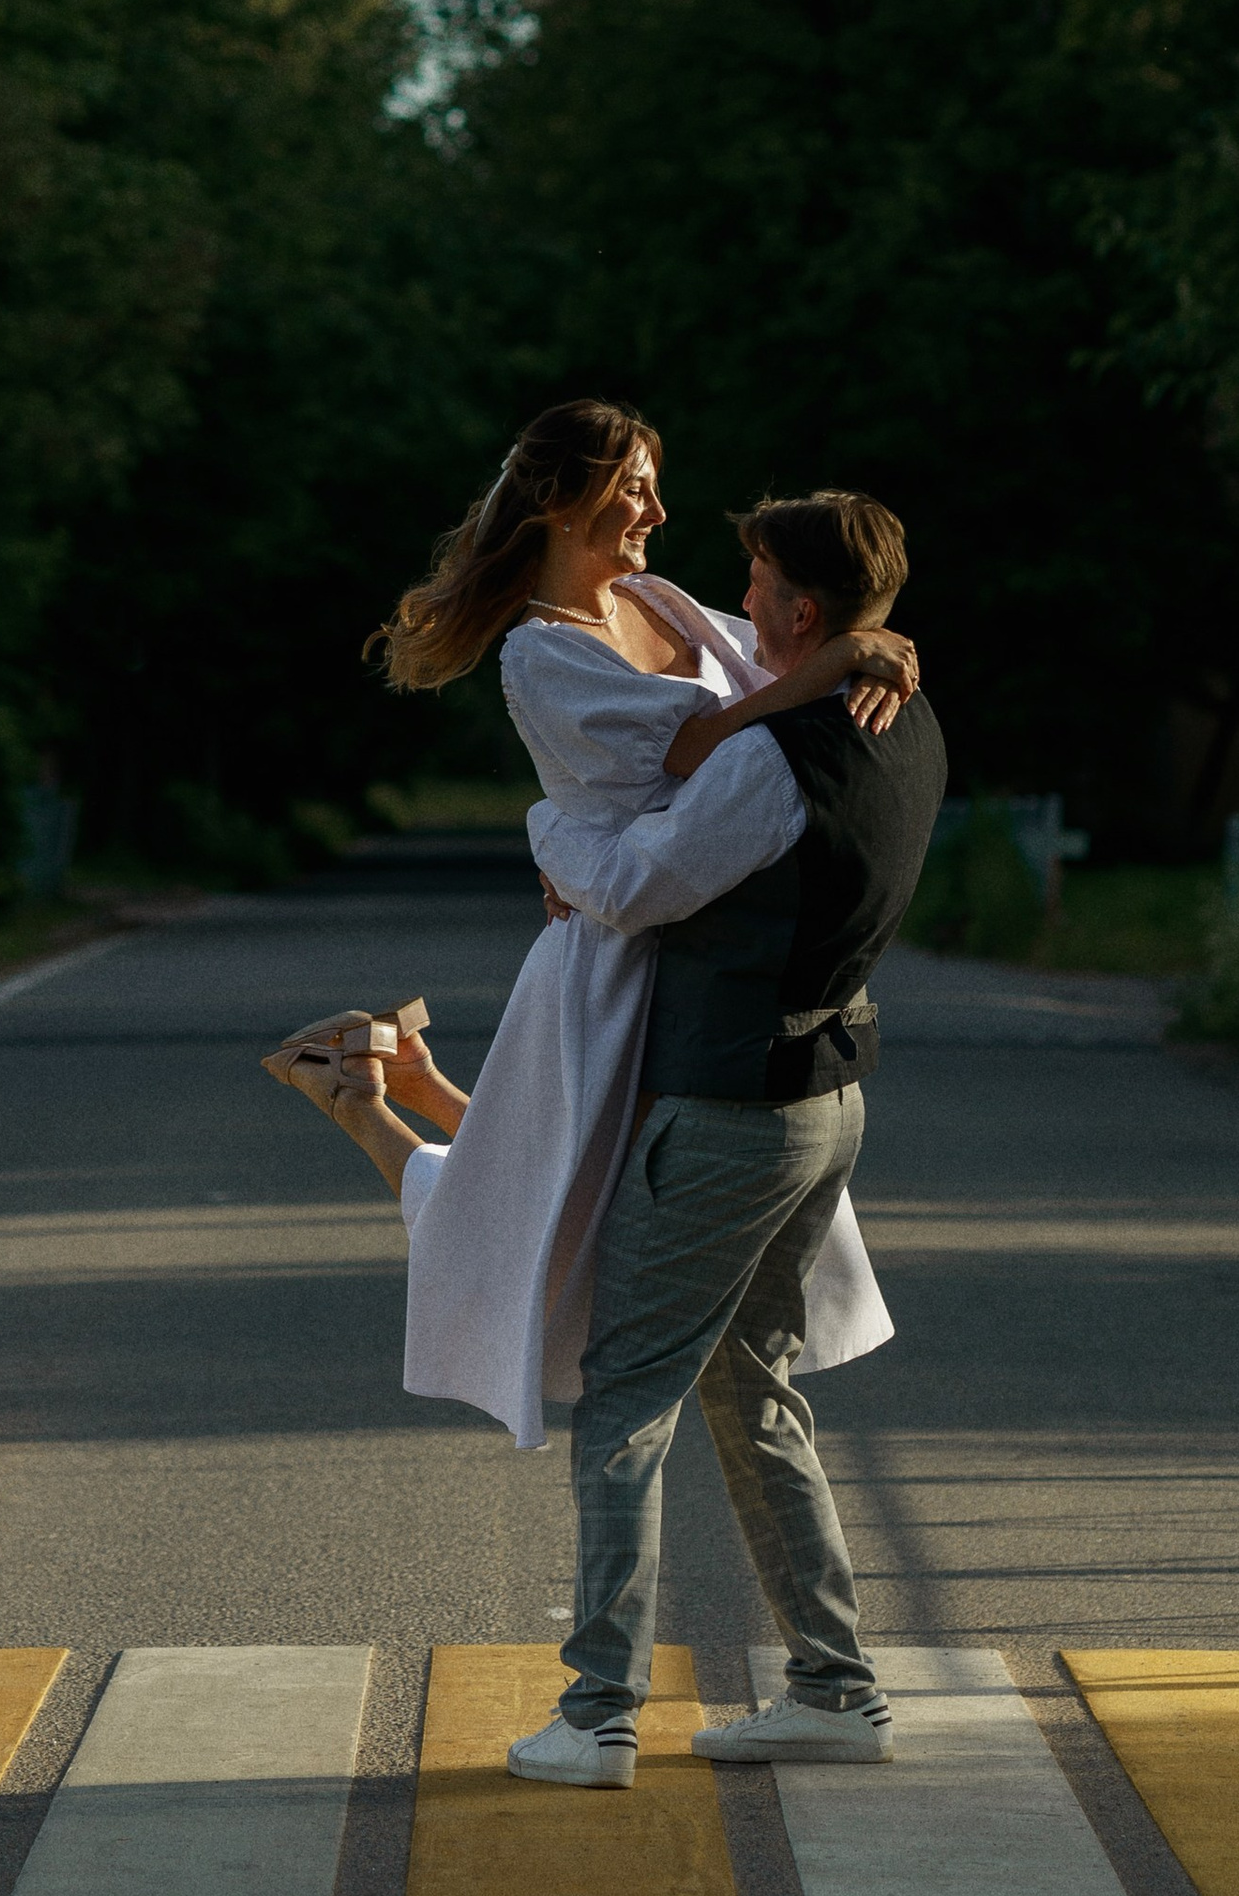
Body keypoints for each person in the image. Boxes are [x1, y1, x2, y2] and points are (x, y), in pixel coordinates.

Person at [259, 402, 917, 1456]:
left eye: (654, 482)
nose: (657, 507)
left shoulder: (659, 599)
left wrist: (862, 642)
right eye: (632, 487)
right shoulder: (538, 653)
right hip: (617, 954)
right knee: (541, 1222)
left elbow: (785, 661)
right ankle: (370, 1110)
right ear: (560, 504)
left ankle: (405, 1088)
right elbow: (695, 749)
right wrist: (555, 836)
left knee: (581, 1203)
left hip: (694, 949)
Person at [503, 487, 945, 1791]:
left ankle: (596, 1716)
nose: (734, 603)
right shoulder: (906, 719)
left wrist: (549, 832)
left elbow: (633, 888)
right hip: (824, 1099)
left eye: (753, 585)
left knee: (626, 1399)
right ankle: (832, 1688)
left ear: (801, 611)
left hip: (730, 1109)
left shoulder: (770, 756)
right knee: (749, 1384)